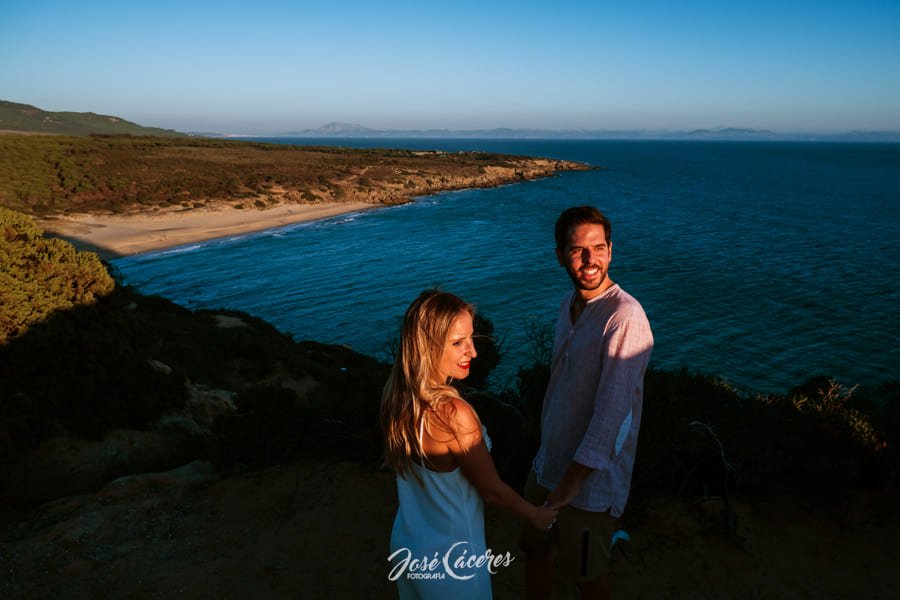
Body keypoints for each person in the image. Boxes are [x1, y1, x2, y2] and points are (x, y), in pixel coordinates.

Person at [382, 289, 558, 599]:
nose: (473, 352)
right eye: (458, 343)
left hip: (409, 544)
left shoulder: (397, 399)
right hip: (452, 557)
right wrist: (536, 516)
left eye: (471, 339)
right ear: (428, 346)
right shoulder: (453, 413)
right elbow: (492, 492)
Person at [520, 206, 654, 600]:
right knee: (534, 547)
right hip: (548, 461)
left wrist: (568, 488)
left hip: (589, 484)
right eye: (578, 250)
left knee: (587, 575)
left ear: (611, 250)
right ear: (560, 254)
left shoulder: (624, 317)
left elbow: (610, 416)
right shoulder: (569, 304)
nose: (590, 259)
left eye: (598, 248)